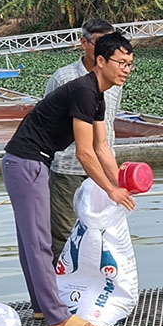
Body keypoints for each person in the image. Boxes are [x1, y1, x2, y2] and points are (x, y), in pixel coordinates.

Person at [2, 32, 137, 326]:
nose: (126, 69)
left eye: (129, 64)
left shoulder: (97, 95)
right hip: (26, 162)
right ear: (100, 61)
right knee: (38, 243)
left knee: (31, 241)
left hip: (30, 162)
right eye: (120, 63)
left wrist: (120, 183)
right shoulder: (83, 91)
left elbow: (102, 147)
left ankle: (42, 305)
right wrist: (110, 190)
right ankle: (57, 319)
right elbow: (84, 152)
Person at [45, 18, 121, 260]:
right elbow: (48, 123)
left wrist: (117, 179)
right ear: (83, 43)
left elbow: (106, 127)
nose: (106, 50)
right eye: (100, 43)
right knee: (64, 234)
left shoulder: (115, 78)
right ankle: (62, 283)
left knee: (104, 233)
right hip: (69, 169)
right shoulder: (63, 78)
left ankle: (99, 281)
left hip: (104, 168)